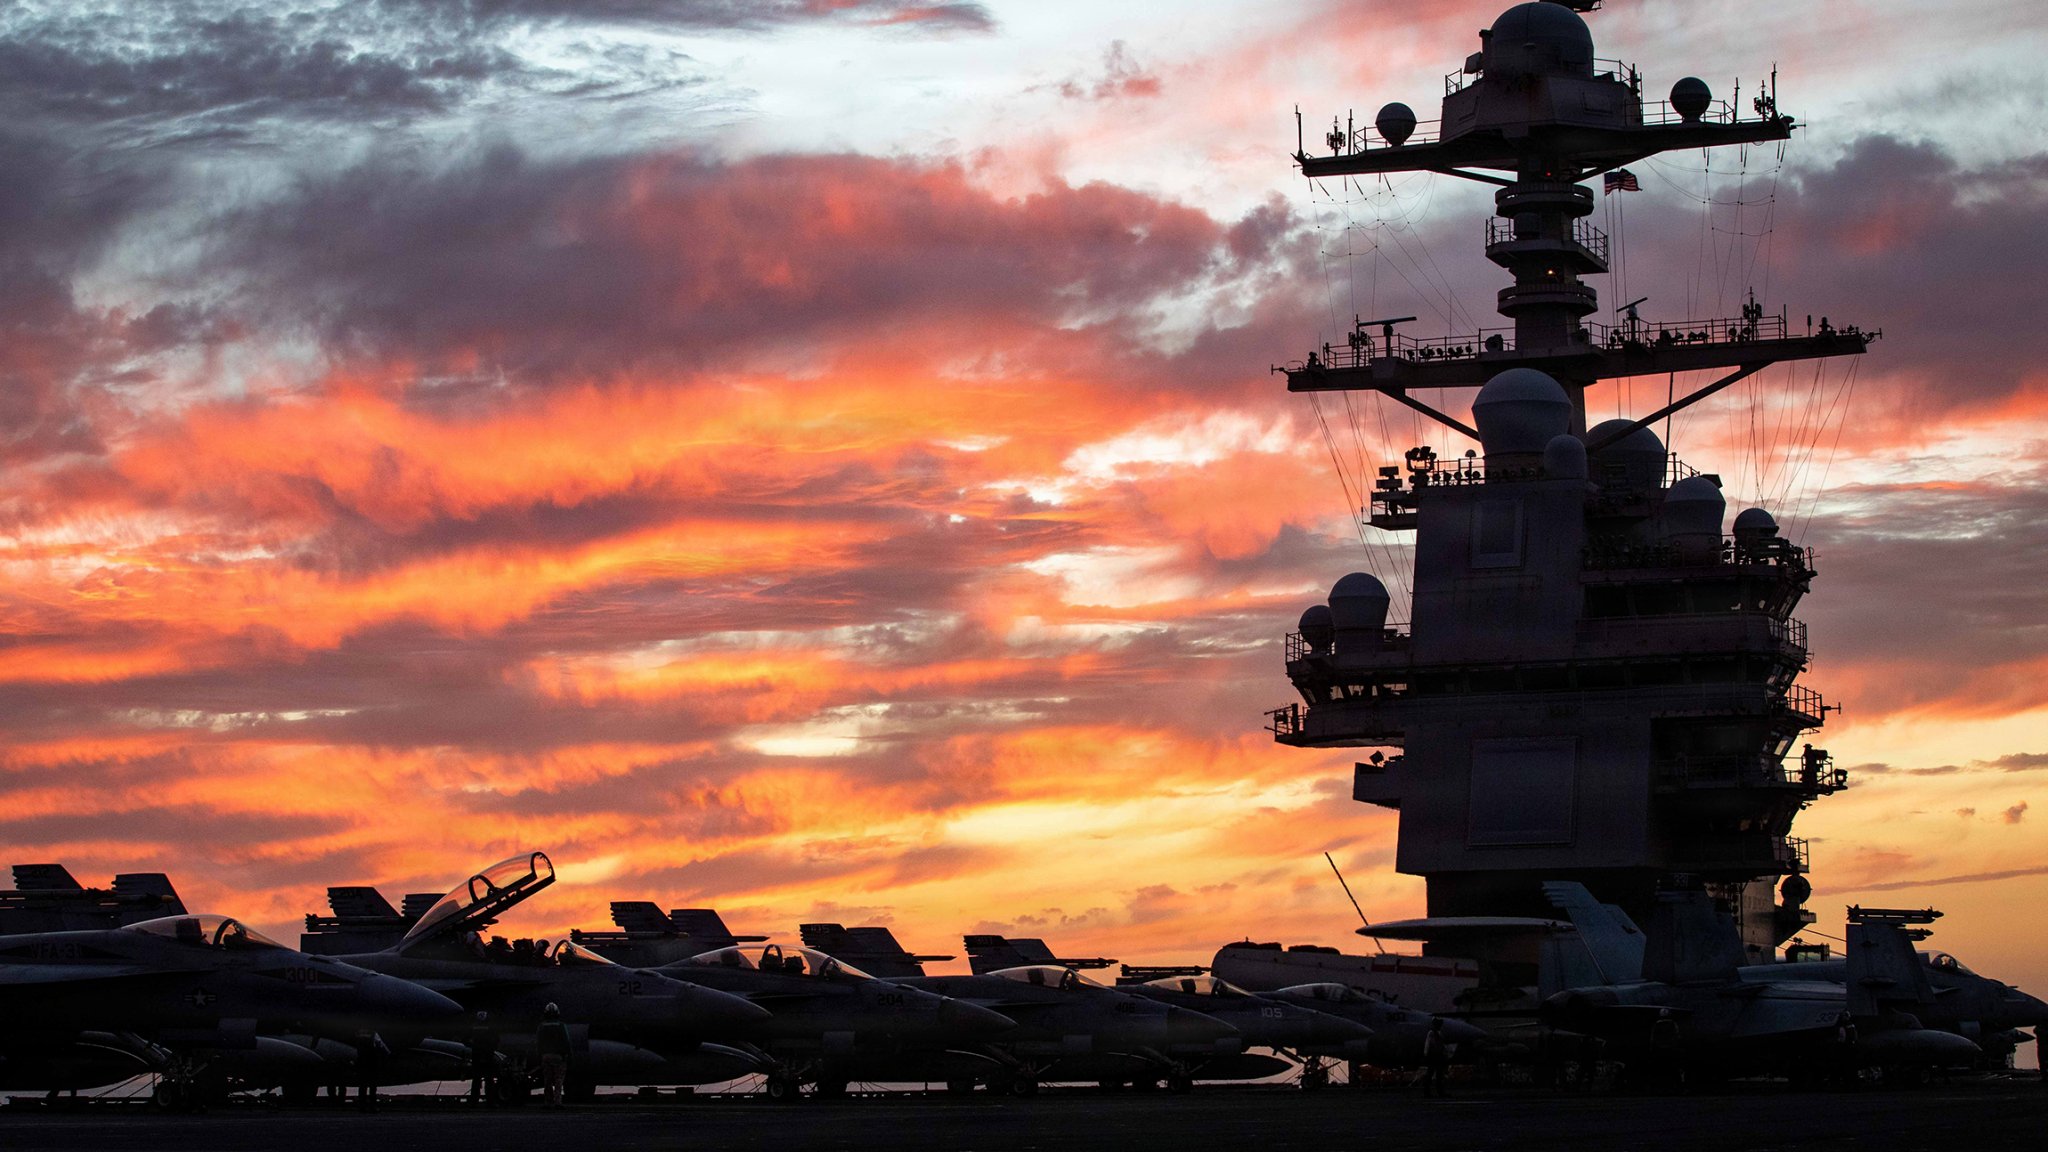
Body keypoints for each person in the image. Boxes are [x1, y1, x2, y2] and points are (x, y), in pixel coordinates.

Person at [536, 1002, 572, 1107]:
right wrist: (569, 1055)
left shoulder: (541, 1026)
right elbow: (566, 1041)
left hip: (545, 1056)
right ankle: (557, 1102)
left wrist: (539, 1056)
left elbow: (538, 1042)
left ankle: (547, 1102)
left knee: (547, 1080)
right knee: (558, 1080)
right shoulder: (561, 1026)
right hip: (558, 1057)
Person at [354, 1029, 388, 1111]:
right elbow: (381, 1046)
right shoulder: (374, 1035)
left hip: (362, 1064)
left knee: (362, 1086)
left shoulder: (357, 1035)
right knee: (372, 1087)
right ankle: (372, 1106)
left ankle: (362, 1106)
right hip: (372, 1064)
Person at [468, 1011, 498, 1105]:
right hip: (488, 1056)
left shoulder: (473, 1027)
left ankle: (474, 1101)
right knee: (489, 1080)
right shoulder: (491, 1027)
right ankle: (490, 1101)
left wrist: (472, 1046)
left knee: (476, 1079)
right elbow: (496, 1040)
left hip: (476, 1055)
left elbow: (465, 1039)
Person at [1420, 1018, 1450, 1097]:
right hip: (1434, 1057)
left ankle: (1436, 1092)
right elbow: (1431, 1045)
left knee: (1437, 1075)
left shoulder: (1436, 1033)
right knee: (1433, 1075)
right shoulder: (1432, 1033)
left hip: (1436, 1057)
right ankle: (1429, 1092)